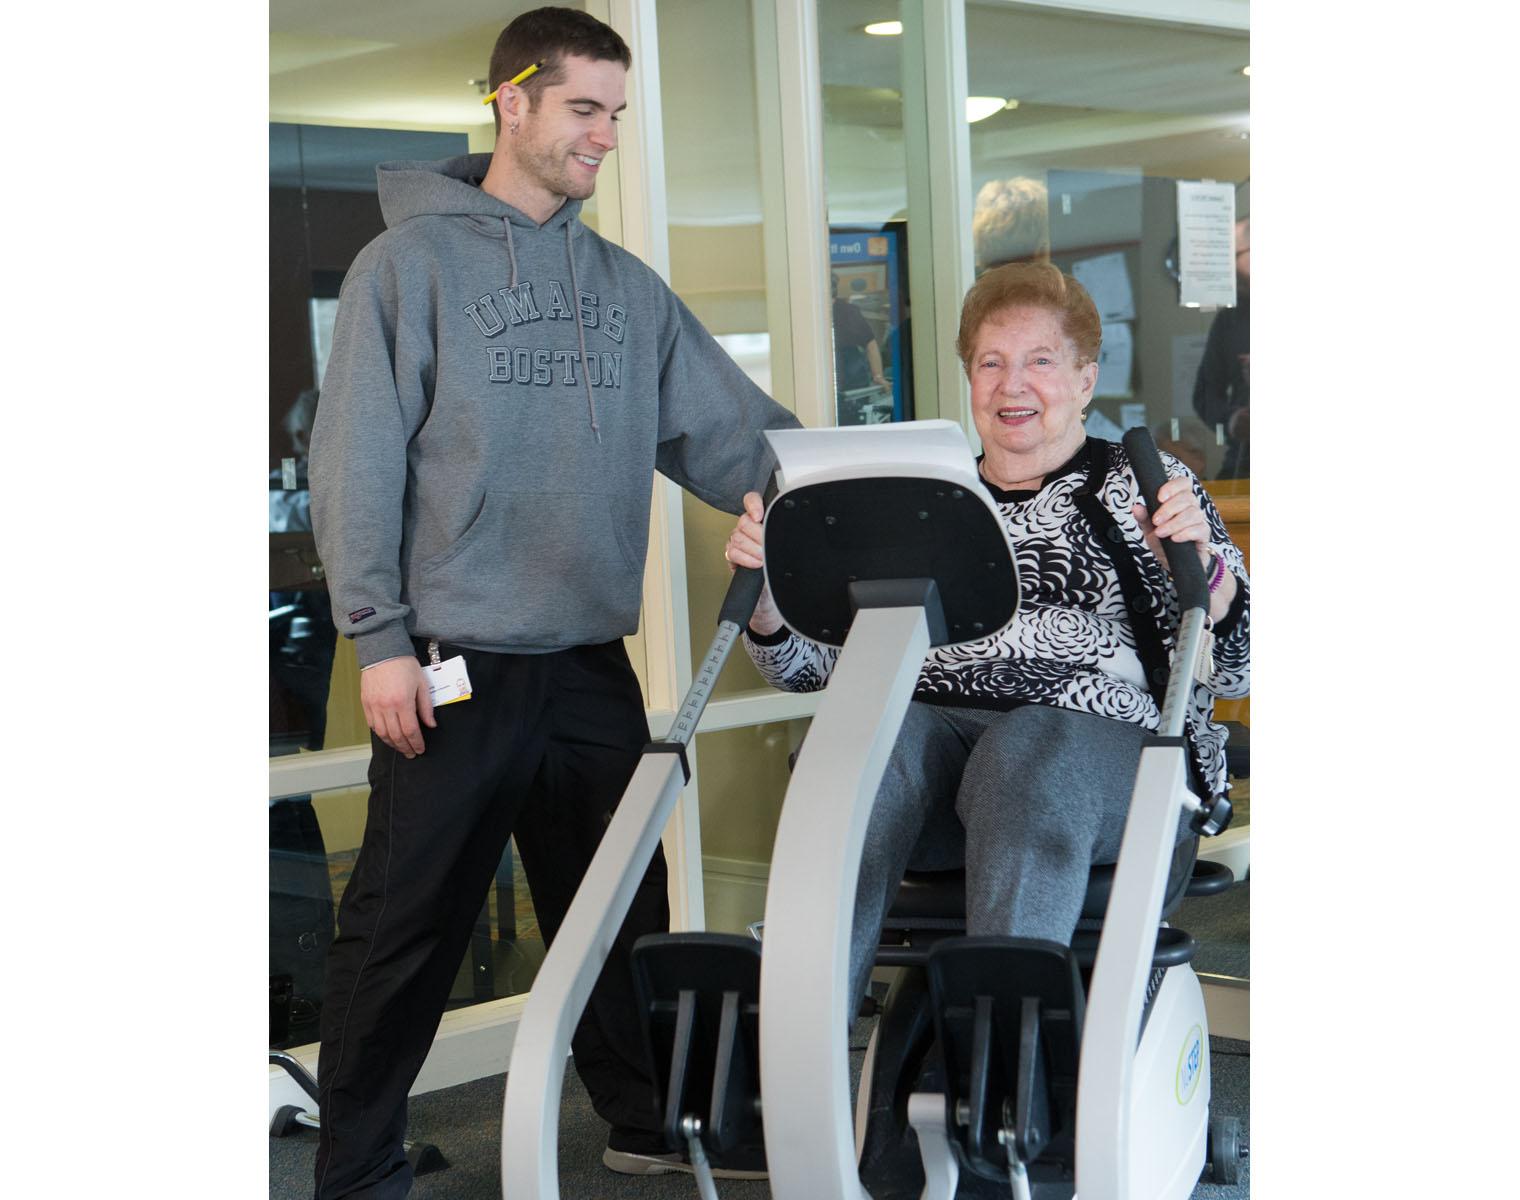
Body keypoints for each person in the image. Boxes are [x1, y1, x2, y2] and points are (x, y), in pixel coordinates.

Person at [307, 8, 796, 1196]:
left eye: (615, 115)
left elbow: (739, 437)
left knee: (625, 910)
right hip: (447, 660)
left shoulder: (622, 289)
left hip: (583, 660)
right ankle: (354, 1164)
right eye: (585, 109)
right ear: (509, 101)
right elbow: (355, 459)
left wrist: (853, 496)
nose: (604, 137)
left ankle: (645, 1117)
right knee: (404, 929)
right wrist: (375, 636)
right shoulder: (406, 267)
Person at [724, 262, 1250, 1016]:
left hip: (1103, 762)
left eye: (1040, 361)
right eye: (992, 363)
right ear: (969, 378)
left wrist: (1210, 575)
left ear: (1084, 378)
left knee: (1027, 749)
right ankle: (794, 1045)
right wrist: (770, 595)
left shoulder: (1145, 485)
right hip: (941, 779)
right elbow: (812, 671)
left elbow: (1238, 670)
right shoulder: (925, 501)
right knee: (861, 740)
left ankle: (1003, 1043)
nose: (1014, 386)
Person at [1192, 216, 1250, 478]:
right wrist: (1232, 419)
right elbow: (1204, 396)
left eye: (1236, 253)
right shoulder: (1231, 319)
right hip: (1244, 465)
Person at [832, 272, 888, 423]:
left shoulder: (845, 312)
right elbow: (871, 345)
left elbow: (871, 345)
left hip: (848, 381)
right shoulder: (849, 311)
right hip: (850, 380)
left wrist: (878, 376)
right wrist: (878, 376)